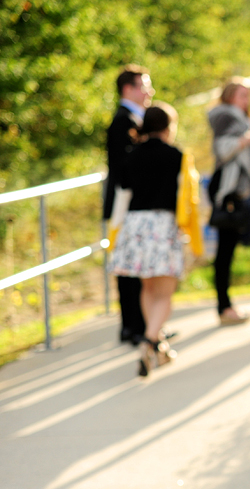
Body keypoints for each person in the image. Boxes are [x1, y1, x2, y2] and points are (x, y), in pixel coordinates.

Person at [109, 103, 185, 377]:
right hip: (163, 224)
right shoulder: (176, 155)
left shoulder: (132, 156)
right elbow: (186, 195)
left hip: (136, 226)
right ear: (167, 127)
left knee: (148, 289)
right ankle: (150, 342)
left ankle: (155, 343)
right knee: (165, 293)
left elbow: (124, 191)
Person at [208, 79, 250, 325]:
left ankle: (225, 305)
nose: (246, 100)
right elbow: (223, 149)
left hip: (237, 190)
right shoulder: (227, 118)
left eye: (248, 95)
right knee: (225, 251)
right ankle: (224, 306)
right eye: (241, 95)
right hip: (228, 191)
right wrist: (247, 139)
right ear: (228, 97)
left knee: (228, 250)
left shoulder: (240, 118)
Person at [104, 65, 153, 345]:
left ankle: (140, 325)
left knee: (133, 267)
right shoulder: (123, 121)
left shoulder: (133, 118)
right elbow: (122, 169)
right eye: (144, 86)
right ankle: (133, 327)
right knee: (128, 268)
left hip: (131, 204)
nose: (149, 92)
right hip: (125, 205)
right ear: (128, 90)